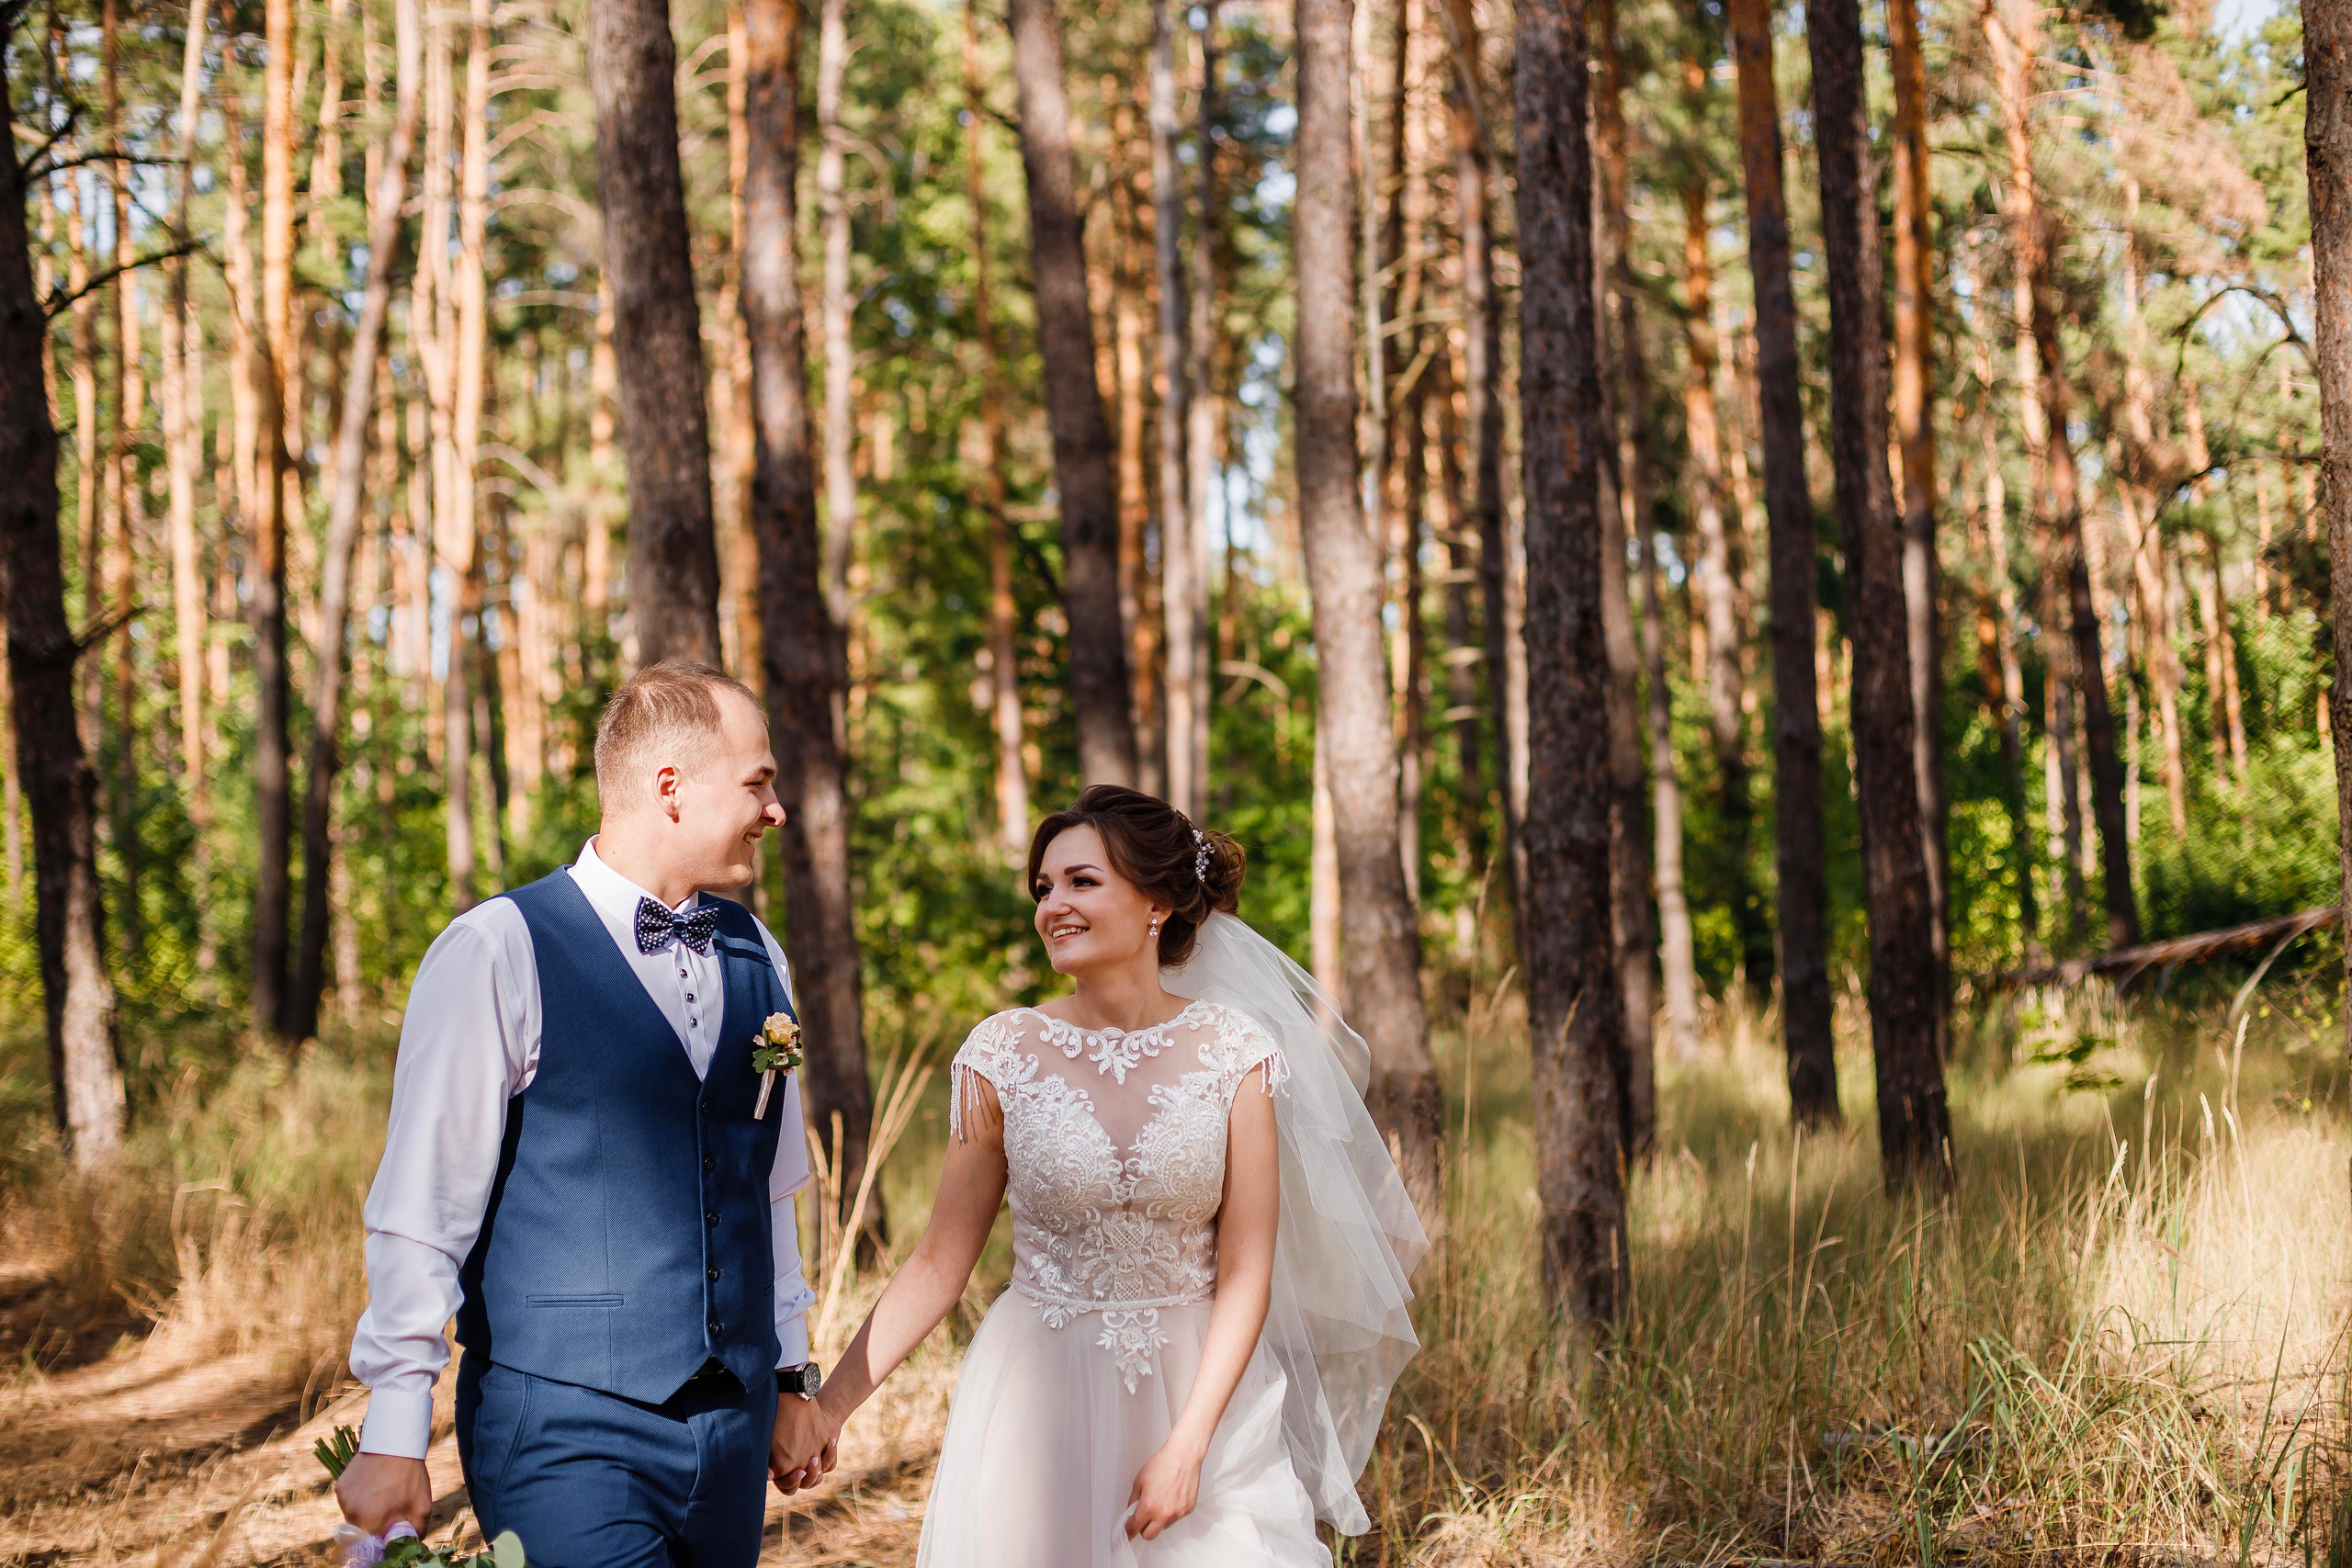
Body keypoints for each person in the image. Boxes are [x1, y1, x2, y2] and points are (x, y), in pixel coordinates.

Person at [804, 785, 1427, 1565]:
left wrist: (1190, 1445)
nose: (1052, 905)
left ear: (1156, 903)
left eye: (1081, 881)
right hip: (1038, 1398)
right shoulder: (1001, 1053)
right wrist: (828, 1408)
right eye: (1044, 887)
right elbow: (938, 1261)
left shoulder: (1236, 1051)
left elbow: (1245, 1270)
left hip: (1200, 1392)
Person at [334, 660, 840, 1566]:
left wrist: (794, 1375)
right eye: (758, 782)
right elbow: (423, 1208)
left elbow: (768, 1190)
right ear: (670, 787)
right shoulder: (496, 949)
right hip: (563, 1432)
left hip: (732, 1429)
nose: (776, 811)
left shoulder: (756, 950)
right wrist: (393, 1427)